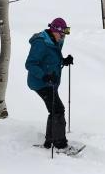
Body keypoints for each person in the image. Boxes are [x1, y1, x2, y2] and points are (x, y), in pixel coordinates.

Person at [25, 18, 75, 152]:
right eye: (62, 33)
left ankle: (50, 141)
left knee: (54, 109)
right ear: (54, 31)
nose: (63, 36)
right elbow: (30, 64)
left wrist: (63, 61)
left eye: (65, 33)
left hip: (51, 82)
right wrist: (44, 76)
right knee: (58, 109)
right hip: (40, 82)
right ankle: (59, 144)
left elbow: (51, 59)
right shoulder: (41, 43)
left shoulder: (55, 40)